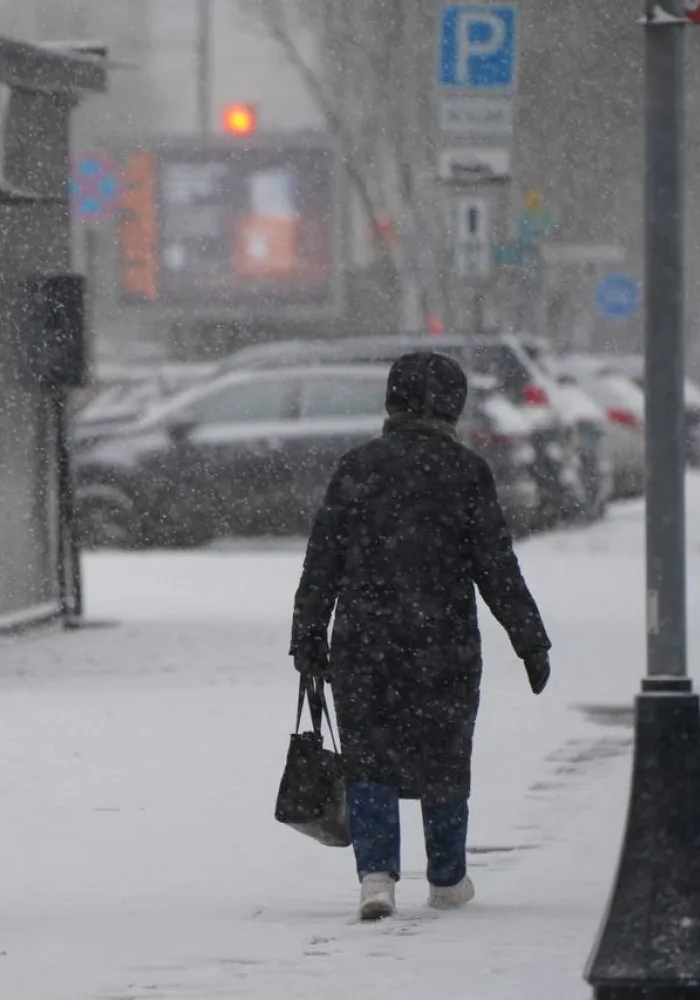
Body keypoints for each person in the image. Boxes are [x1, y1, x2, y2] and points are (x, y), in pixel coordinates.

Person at [289, 351, 551, 922]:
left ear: (392, 400)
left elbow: (322, 562)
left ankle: (377, 877)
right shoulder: (465, 472)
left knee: (369, 758)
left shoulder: (356, 467)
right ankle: (447, 878)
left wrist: (307, 634)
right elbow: (496, 567)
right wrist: (530, 639)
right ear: (452, 406)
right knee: (445, 757)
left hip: (364, 641)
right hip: (444, 643)